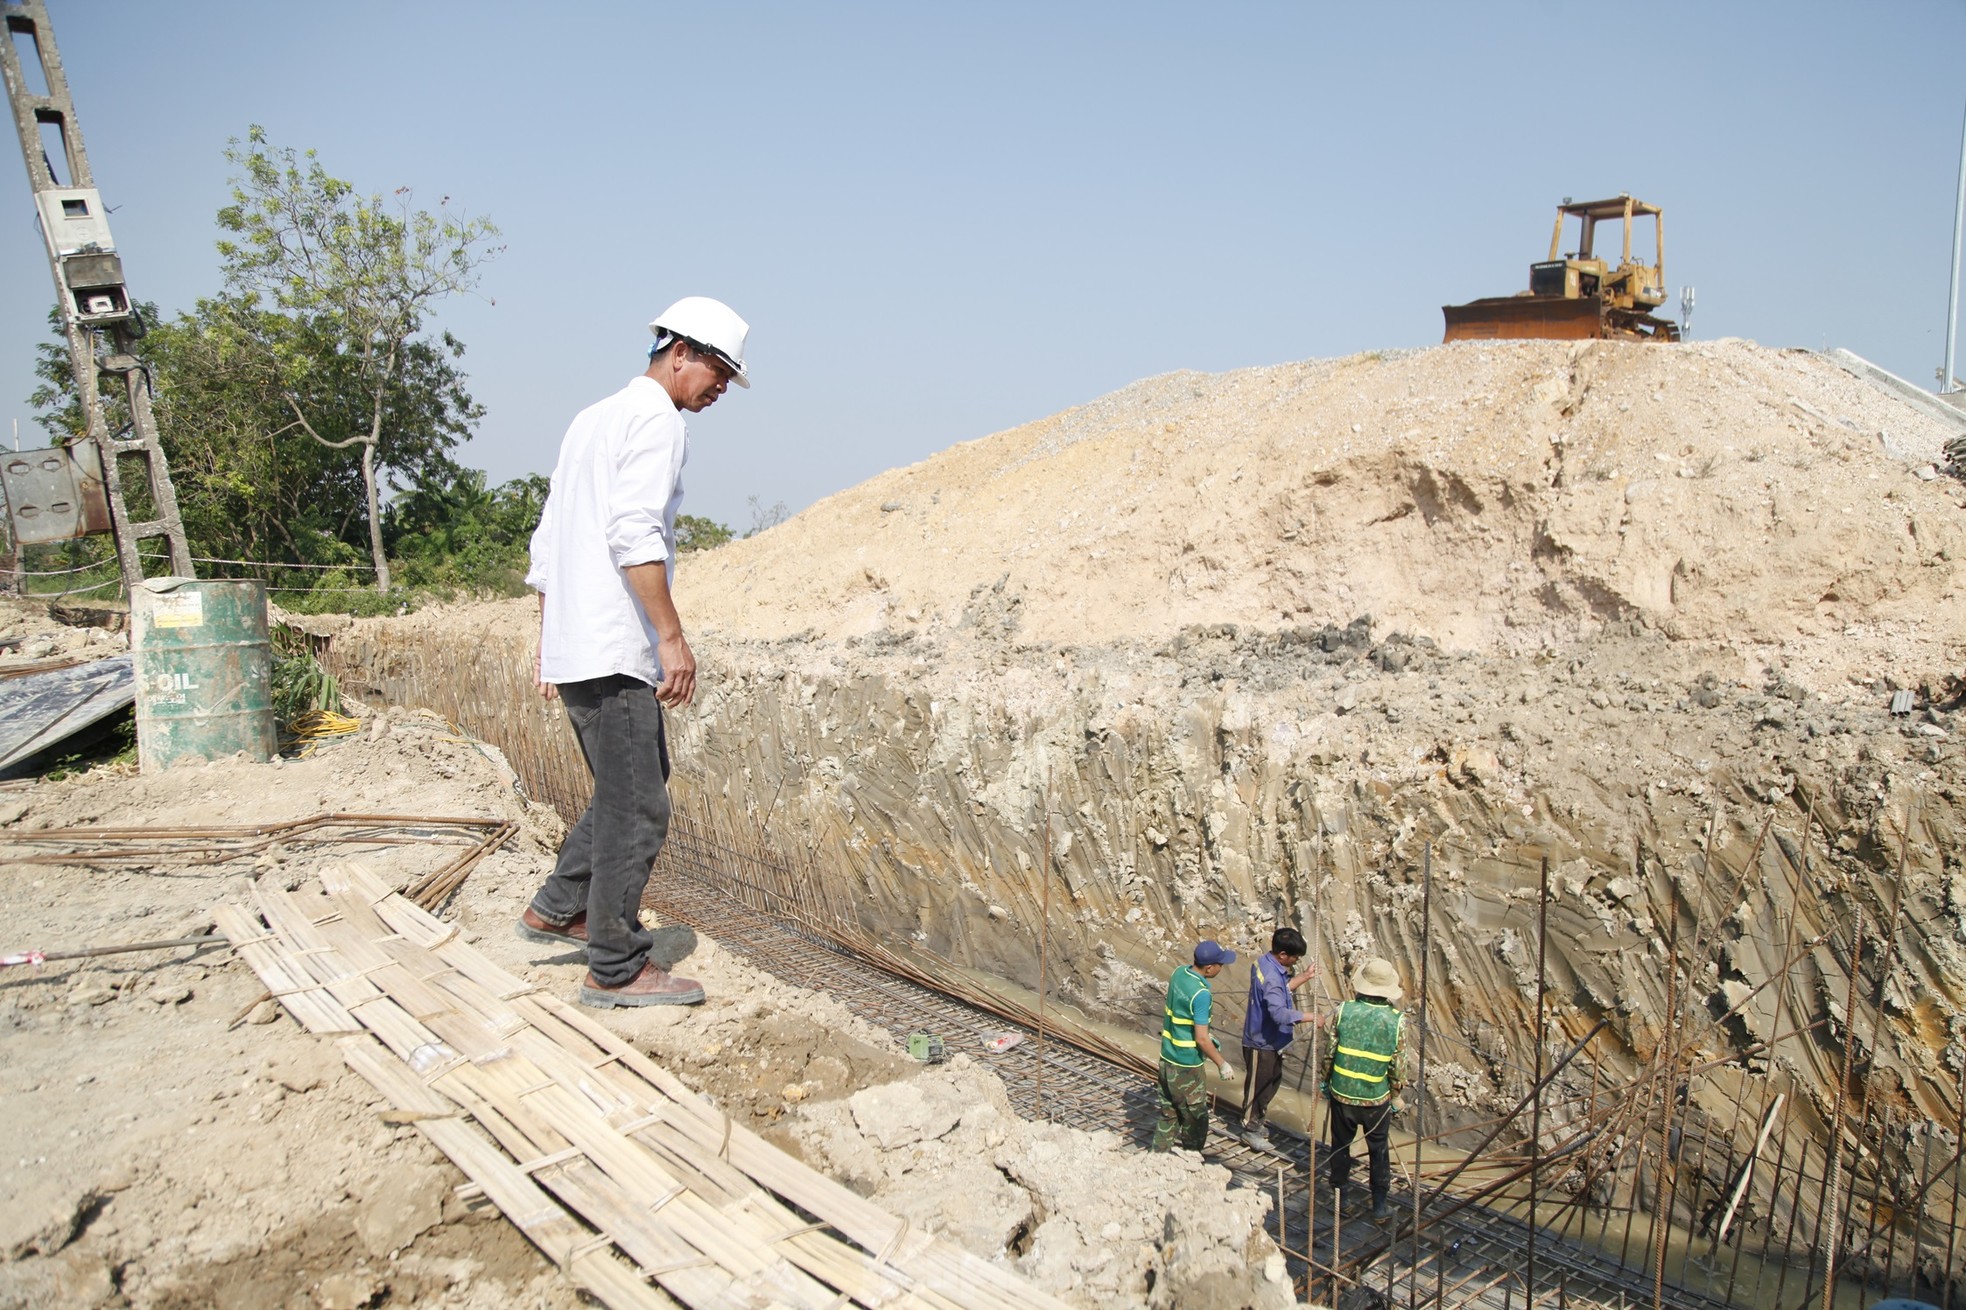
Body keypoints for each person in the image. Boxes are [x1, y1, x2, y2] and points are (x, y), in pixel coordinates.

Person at [518, 296, 751, 1009]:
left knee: (631, 780)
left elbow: (548, 542)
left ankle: (561, 905)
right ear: (678, 350)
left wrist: (549, 640)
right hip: (614, 646)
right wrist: (671, 637)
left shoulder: (592, 419)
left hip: (579, 641)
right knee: (640, 804)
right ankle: (615, 965)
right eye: (716, 370)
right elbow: (633, 532)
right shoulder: (655, 420)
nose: (719, 388)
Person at [1323, 956, 1407, 1219]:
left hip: (1342, 1094)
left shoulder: (1343, 1010)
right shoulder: (1396, 1020)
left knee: (1340, 1146)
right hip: (1375, 1099)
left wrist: (1325, 1082)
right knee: (1378, 1150)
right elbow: (1398, 1065)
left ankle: (1341, 1198)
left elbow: (1329, 1053)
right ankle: (1379, 1206)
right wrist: (1396, 1094)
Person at [1151, 939, 1238, 1152]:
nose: (1221, 968)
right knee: (1195, 1118)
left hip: (1167, 1059)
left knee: (1169, 1113)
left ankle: (1157, 1154)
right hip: (1186, 1067)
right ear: (1209, 968)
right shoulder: (1201, 995)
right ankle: (1192, 1158)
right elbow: (1202, 1038)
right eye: (1220, 964)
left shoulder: (1179, 973)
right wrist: (1222, 1064)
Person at [1239, 926, 1318, 1147]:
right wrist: (1311, 1016)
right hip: (1262, 1041)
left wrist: (1304, 976)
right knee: (1259, 1087)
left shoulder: (1264, 964)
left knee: (1272, 1082)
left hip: (1270, 1040)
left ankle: (1257, 1122)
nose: (1295, 961)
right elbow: (1279, 1013)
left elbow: (1280, 990)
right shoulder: (1272, 977)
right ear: (1282, 955)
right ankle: (1250, 1128)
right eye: (1294, 958)